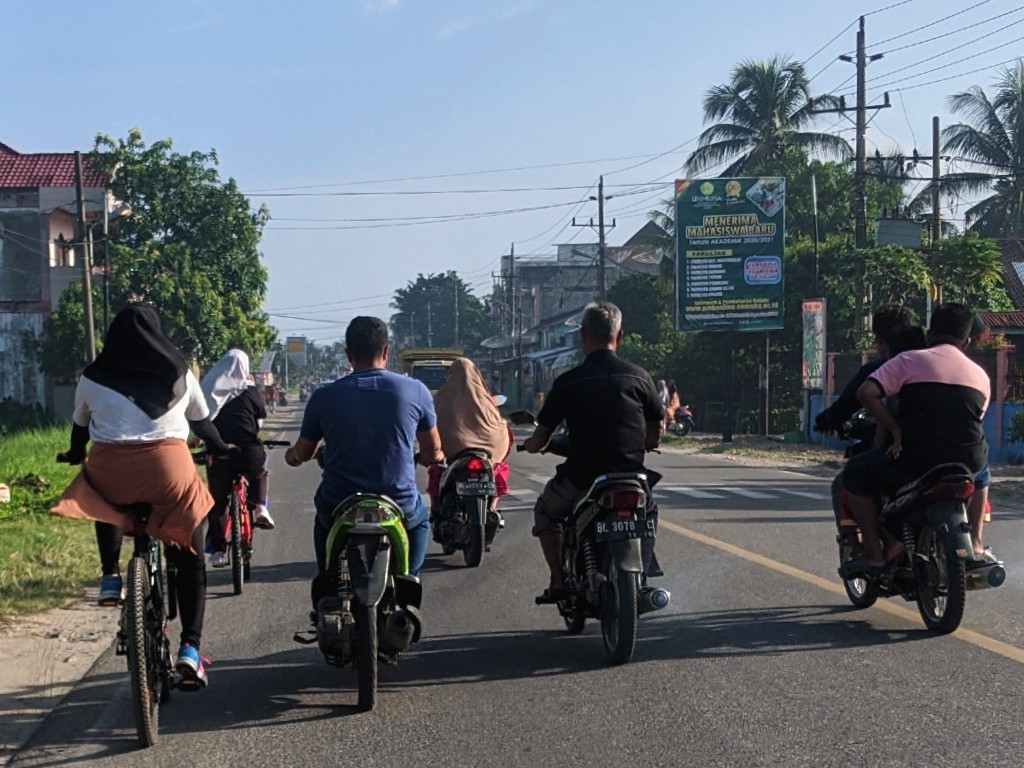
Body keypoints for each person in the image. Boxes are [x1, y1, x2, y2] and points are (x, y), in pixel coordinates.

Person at [51, 303, 231, 687]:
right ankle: (191, 650)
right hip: (168, 469)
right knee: (190, 555)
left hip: (113, 469)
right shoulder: (180, 373)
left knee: (98, 491)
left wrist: (73, 454)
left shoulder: (93, 377)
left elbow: (79, 430)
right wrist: (221, 447)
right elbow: (203, 424)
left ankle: (111, 577)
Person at [284, 316, 442, 602]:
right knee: (419, 521)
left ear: (348, 355)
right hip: (399, 502)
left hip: (339, 503)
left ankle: (328, 580)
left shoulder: (323, 396)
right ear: (386, 351)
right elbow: (432, 452)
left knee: (323, 521)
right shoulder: (415, 390)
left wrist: (292, 457)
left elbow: (304, 451)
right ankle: (410, 578)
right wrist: (430, 458)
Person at [521, 301, 665, 601]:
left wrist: (533, 447)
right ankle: (642, 580)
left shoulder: (569, 382)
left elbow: (541, 436)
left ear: (583, 336)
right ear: (620, 336)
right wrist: (647, 443)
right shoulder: (640, 377)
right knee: (648, 513)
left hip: (583, 477)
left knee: (546, 512)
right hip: (632, 476)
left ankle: (559, 581)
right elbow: (656, 429)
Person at [841, 303, 992, 572]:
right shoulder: (980, 375)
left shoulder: (908, 361)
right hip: (967, 463)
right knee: (983, 472)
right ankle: (977, 542)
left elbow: (866, 393)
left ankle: (875, 554)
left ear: (930, 334)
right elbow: (972, 420)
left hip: (913, 461)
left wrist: (895, 429)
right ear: (966, 342)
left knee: (853, 473)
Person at [200, 349, 274, 569]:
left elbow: (202, 421)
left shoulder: (209, 390)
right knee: (259, 472)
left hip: (219, 454)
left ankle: (219, 551)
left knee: (218, 503)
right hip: (248, 452)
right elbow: (260, 418)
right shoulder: (251, 392)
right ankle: (260, 507)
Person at [814, 304, 917, 434]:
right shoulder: (932, 361)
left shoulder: (884, 368)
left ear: (879, 340)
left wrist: (828, 419)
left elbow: (855, 397)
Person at [429, 357, 513, 514]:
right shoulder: (485, 398)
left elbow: (433, 424)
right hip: (487, 449)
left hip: (455, 450)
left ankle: (435, 507)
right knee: (497, 470)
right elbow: (499, 423)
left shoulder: (441, 397)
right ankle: (493, 507)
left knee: (437, 469)